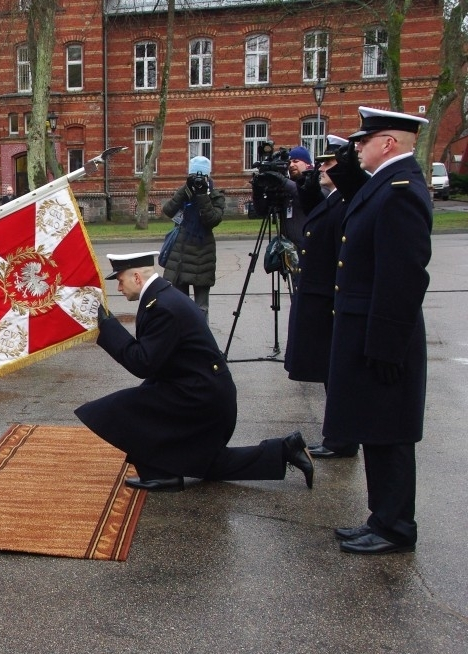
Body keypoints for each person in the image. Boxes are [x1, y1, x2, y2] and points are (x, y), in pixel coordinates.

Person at [74, 252, 314, 492]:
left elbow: (142, 363)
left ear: (136, 277)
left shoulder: (162, 307)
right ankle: (284, 450)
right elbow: (158, 363)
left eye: (120, 280)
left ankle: (162, 472)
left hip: (201, 400)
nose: (118, 287)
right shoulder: (162, 296)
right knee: (208, 466)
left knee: (118, 409)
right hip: (200, 391)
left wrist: (108, 328)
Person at [324, 107, 431, 554]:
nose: (357, 147)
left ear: (387, 143)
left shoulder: (402, 190)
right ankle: (381, 517)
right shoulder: (385, 185)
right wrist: (348, 170)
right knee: (375, 426)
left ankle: (395, 526)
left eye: (363, 141)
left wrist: (386, 345)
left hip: (385, 332)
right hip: (367, 327)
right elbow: (359, 209)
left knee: (390, 432)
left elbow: (403, 276)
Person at [284, 136, 361, 460]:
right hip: (321, 291)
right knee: (332, 371)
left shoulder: (346, 199)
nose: (323, 169)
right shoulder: (334, 198)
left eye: (329, 164)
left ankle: (342, 437)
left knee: (337, 371)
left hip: (331, 293)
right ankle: (340, 435)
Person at [160, 155, 225, 320]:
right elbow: (168, 211)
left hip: (203, 255)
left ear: (208, 176)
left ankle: (201, 341)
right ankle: (182, 339)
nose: (197, 180)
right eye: (193, 176)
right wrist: (184, 189)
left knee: (201, 308)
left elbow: (211, 220)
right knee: (180, 305)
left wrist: (203, 195)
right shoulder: (185, 192)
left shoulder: (216, 196)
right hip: (180, 254)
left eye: (201, 176)